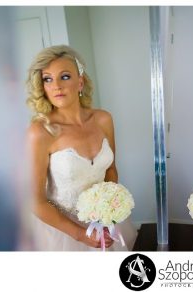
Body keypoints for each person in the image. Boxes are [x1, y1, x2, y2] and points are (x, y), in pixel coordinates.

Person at [26, 45, 137, 251]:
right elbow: (36, 201)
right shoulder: (40, 132)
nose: (56, 85)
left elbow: (111, 171)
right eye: (47, 79)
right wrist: (82, 235)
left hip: (104, 223)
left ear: (80, 82)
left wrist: (107, 216)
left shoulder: (103, 119)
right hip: (62, 234)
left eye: (65, 76)